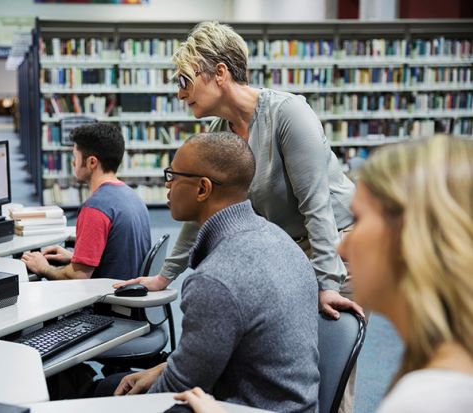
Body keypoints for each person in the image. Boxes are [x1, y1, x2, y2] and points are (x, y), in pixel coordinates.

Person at [172, 134, 473, 413]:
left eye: (360, 219)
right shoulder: (442, 372)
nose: (342, 250)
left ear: (413, 237)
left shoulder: (431, 398)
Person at [116, 21, 362, 321]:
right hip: (290, 250)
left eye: (185, 81)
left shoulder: (288, 115)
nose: (180, 94)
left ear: (220, 73)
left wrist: (327, 283)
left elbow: (317, 205)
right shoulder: (221, 133)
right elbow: (202, 207)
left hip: (339, 248)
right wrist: (164, 277)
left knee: (332, 358)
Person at [107, 132, 320, 412]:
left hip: (244, 406)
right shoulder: (278, 238)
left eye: (173, 175)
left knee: (108, 394)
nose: (167, 185)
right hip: (288, 403)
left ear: (202, 189)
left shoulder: (216, 279)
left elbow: (178, 388)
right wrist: (163, 368)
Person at [21, 123, 151, 280]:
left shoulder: (95, 208)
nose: (73, 162)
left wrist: (43, 267)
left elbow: (77, 278)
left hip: (106, 299)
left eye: (75, 157)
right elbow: (118, 254)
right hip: (129, 291)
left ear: (92, 163)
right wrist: (75, 257)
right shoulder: (133, 196)